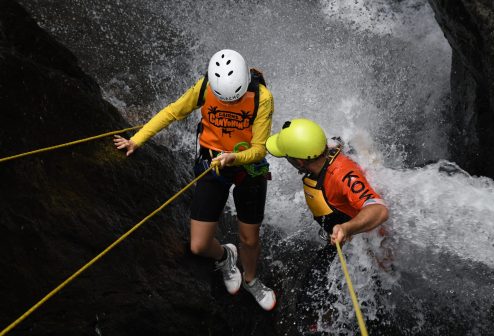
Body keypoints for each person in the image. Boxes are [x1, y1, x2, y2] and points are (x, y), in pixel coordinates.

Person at [114, 49, 276, 311]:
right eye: (227, 101)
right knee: (199, 246)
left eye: (235, 100)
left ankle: (250, 278)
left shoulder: (262, 98)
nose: (232, 105)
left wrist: (233, 158)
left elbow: (260, 148)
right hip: (212, 165)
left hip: (249, 169)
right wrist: (137, 139)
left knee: (249, 239)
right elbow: (172, 112)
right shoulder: (204, 87)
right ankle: (225, 256)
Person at [265, 118, 388, 330]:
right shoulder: (324, 148)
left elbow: (379, 209)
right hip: (343, 237)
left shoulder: (342, 175)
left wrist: (347, 228)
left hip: (362, 247)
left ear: (300, 162)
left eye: (287, 156)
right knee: (309, 303)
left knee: (318, 306)